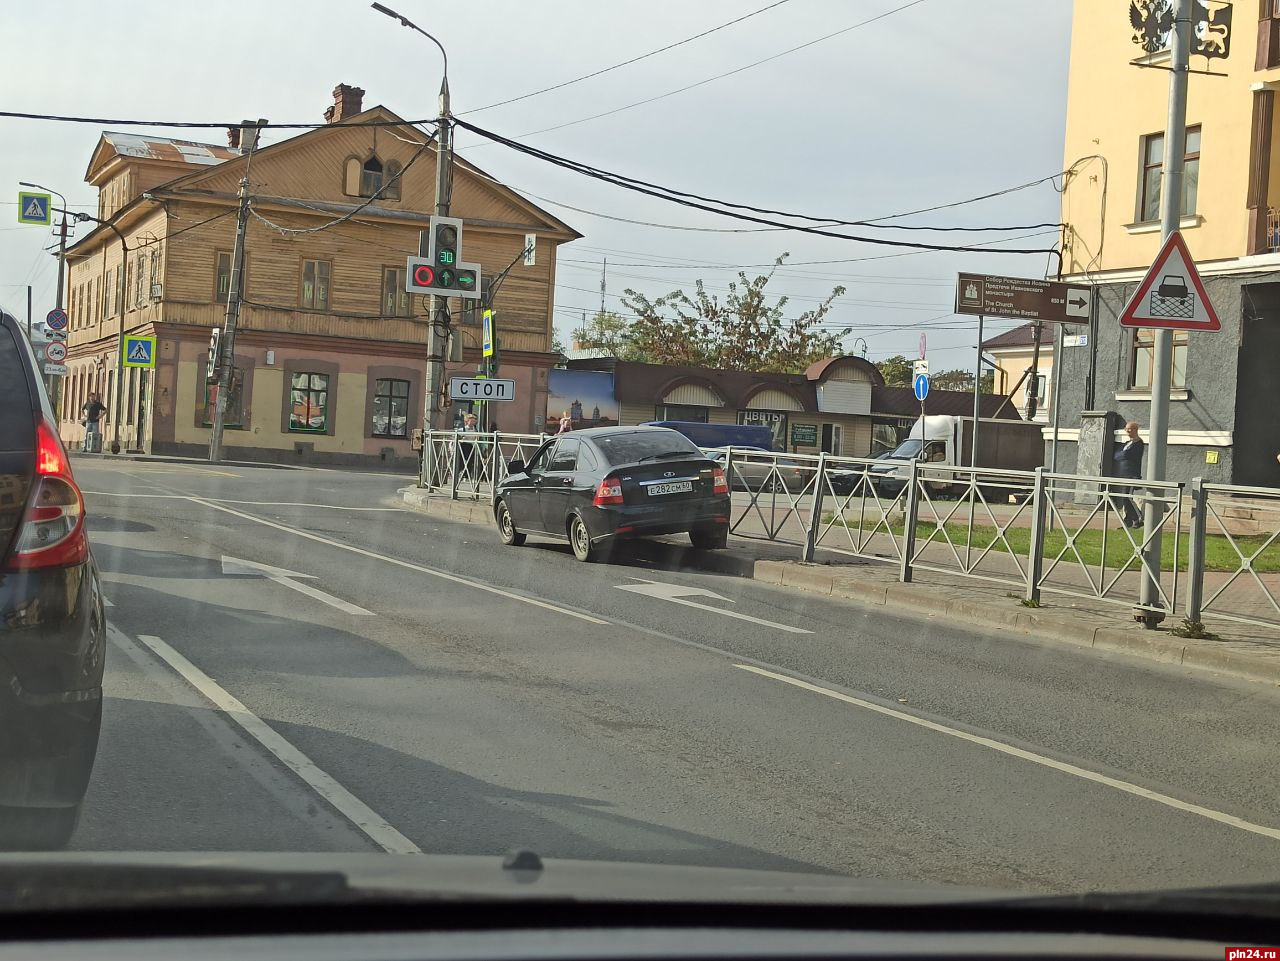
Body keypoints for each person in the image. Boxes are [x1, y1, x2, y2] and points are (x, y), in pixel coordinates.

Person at [1112, 420, 1145, 529]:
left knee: (1128, 498)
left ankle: (1139, 518)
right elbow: (1117, 456)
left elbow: (1126, 455)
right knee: (1124, 498)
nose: (1127, 431)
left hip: (1131, 474)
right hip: (1123, 474)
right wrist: (1122, 454)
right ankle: (1128, 521)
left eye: (1129, 429)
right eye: (1126, 429)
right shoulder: (1127, 444)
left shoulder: (1138, 443)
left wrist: (1122, 454)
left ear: (1135, 429)